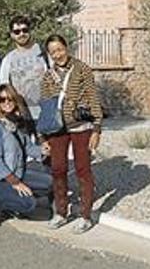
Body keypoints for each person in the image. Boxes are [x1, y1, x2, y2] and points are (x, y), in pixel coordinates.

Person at [40, 34, 103, 233]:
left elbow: (93, 97)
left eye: (60, 49)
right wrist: (43, 137)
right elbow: (46, 107)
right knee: (58, 169)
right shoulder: (48, 76)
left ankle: (85, 215)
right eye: (53, 52)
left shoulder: (82, 69)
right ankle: (61, 211)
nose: (58, 54)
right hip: (57, 129)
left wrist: (97, 128)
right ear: (49, 55)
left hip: (81, 126)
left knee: (83, 169)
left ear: (66, 47)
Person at [0, 84, 52, 226]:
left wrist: (43, 151)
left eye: (10, 99)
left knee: (49, 182)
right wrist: (16, 183)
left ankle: (13, 200)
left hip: (17, 172)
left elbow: (27, 147)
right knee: (29, 204)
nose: (6, 102)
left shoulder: (15, 122)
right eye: (2, 100)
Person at [0, 15, 49, 128]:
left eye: (25, 30)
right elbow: (4, 85)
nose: (21, 34)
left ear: (30, 31)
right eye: (17, 31)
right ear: (12, 35)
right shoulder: (9, 59)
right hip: (21, 115)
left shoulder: (43, 53)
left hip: (45, 112)